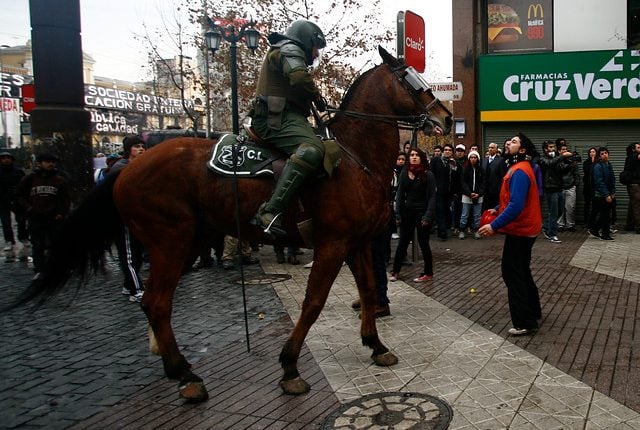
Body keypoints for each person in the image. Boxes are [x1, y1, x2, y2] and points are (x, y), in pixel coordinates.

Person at [250, 19, 328, 238]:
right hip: (276, 119)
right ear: (306, 41)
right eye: (315, 49)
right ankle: (270, 212)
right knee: (311, 150)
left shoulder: (286, 49)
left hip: (287, 117)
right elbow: (299, 76)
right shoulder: (288, 48)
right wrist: (317, 96)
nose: (315, 55)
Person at [478, 132, 542, 336]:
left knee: (512, 273)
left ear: (522, 150)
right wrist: (498, 207)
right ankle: (533, 311)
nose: (509, 144)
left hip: (521, 230)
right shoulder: (517, 168)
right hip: (524, 229)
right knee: (522, 270)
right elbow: (511, 200)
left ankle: (525, 322)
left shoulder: (520, 171)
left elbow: (516, 205)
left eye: (514, 142)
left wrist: (494, 225)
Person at [16, 153, 70, 274]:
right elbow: (20, 195)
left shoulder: (59, 180)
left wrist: (61, 213)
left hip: (54, 217)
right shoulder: (30, 179)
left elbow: (65, 199)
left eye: (52, 162)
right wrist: (28, 208)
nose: (50, 164)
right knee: (37, 245)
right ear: (39, 163)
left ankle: (57, 267)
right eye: (47, 161)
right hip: (36, 217)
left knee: (56, 244)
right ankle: (39, 269)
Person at [109, 135, 147, 302]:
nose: (140, 149)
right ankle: (136, 289)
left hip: (138, 217)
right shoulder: (121, 168)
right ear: (128, 149)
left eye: (142, 146)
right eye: (136, 146)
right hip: (123, 217)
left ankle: (128, 284)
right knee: (129, 255)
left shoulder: (141, 166)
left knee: (136, 254)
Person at [390, 148, 435, 283]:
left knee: (423, 243)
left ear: (421, 157)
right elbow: (399, 194)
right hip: (407, 212)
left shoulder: (428, 174)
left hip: (422, 213)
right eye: (412, 155)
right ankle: (396, 271)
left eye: (417, 155)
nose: (414, 157)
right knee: (402, 242)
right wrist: (398, 213)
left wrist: (427, 216)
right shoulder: (404, 173)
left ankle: (428, 272)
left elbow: (432, 197)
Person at [537, 139, 572, 243]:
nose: (553, 149)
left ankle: (546, 226)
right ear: (545, 149)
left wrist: (570, 162)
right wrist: (562, 156)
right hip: (550, 188)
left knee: (560, 211)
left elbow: (562, 170)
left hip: (559, 187)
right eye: (550, 147)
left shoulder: (557, 158)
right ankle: (552, 234)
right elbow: (549, 164)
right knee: (554, 212)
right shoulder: (543, 158)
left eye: (554, 147)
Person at [0, 151, 28, 261]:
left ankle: (23, 237)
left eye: (8, 158)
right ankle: (9, 241)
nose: (6, 160)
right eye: (3, 158)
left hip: (17, 200)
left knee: (21, 220)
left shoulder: (18, 172)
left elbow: (24, 185)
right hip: (2, 201)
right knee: (6, 222)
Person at [588, 147, 616, 241]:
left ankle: (595, 230)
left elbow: (612, 180)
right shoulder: (598, 166)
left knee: (606, 214)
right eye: (602, 153)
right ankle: (605, 234)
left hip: (607, 193)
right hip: (600, 194)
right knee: (605, 215)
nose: (605, 155)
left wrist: (612, 192)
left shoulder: (608, 164)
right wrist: (606, 194)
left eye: (606, 153)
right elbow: (599, 182)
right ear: (599, 156)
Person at [430, 143, 457, 240]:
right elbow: (431, 174)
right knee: (440, 211)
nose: (447, 151)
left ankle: (445, 229)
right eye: (445, 150)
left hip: (449, 192)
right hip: (438, 191)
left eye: (449, 150)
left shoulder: (453, 162)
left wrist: (454, 167)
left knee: (447, 211)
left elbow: (456, 178)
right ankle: (442, 233)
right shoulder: (436, 160)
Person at [459, 150, 484, 239]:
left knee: (477, 215)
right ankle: (462, 230)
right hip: (467, 195)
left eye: (475, 157)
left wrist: (479, 193)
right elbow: (463, 182)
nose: (473, 159)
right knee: (465, 214)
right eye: (471, 157)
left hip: (478, 195)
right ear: (469, 159)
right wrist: (469, 193)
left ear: (478, 159)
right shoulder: (465, 169)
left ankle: (476, 230)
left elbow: (483, 183)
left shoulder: (481, 170)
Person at [556, 139, 579, 232]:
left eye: (566, 149)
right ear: (559, 151)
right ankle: (560, 225)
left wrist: (575, 184)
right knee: (560, 207)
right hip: (560, 187)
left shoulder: (572, 161)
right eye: (563, 149)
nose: (565, 151)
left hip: (570, 187)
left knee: (570, 207)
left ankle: (570, 225)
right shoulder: (556, 161)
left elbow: (576, 173)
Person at [620, 142, 640, 234]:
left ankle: (629, 225)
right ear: (633, 149)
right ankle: (639, 227)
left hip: (633, 184)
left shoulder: (631, 157)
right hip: (634, 184)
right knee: (637, 205)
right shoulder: (633, 156)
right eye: (639, 147)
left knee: (633, 205)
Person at [481, 141, 507, 211]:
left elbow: (503, 175)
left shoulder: (501, 160)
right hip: (485, 191)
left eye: (492, 148)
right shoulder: (484, 160)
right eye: (489, 148)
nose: (490, 149)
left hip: (495, 191)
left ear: (496, 149)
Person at [390, 151, 406, 240]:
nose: (401, 161)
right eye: (399, 159)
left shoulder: (407, 171)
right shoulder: (393, 171)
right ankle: (394, 231)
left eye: (403, 159)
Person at [582, 147, 598, 226]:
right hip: (587, 187)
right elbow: (587, 171)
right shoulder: (586, 162)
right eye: (591, 152)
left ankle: (593, 221)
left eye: (594, 152)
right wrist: (592, 162)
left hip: (595, 187)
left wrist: (594, 162)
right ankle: (586, 221)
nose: (592, 153)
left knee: (595, 205)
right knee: (587, 204)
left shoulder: (598, 162)